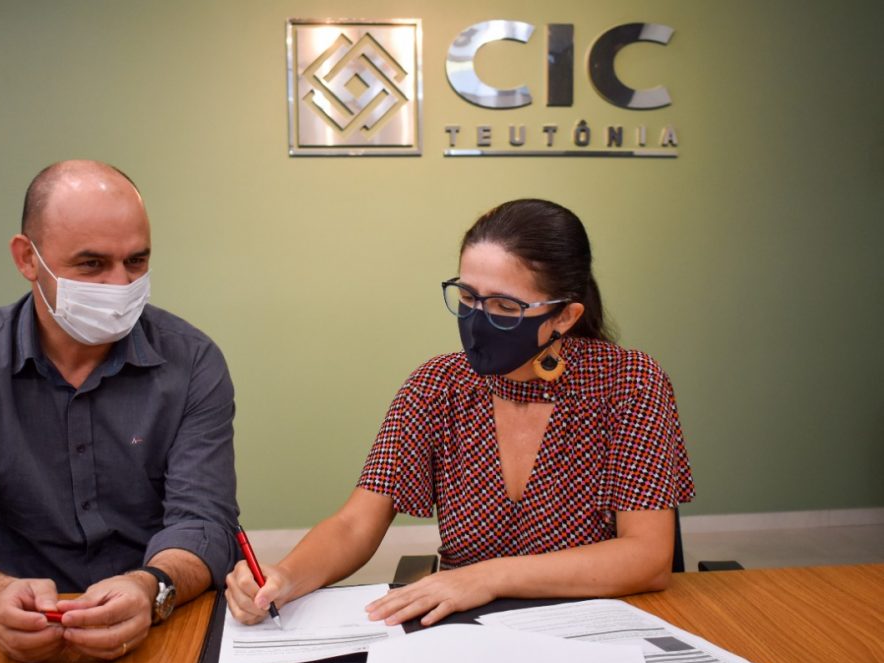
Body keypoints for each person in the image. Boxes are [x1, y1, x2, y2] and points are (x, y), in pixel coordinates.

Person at [226, 198, 694, 627]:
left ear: (564, 316)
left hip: (596, 627)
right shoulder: (437, 386)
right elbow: (355, 524)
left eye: (505, 306)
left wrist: (487, 577)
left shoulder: (629, 382)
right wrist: (286, 576)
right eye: (468, 297)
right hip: (469, 635)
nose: (477, 320)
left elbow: (647, 558)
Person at [0, 160, 239, 663]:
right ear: (27, 258)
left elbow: (204, 522)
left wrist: (151, 587)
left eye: (136, 261)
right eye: (92, 264)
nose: (119, 284)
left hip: (161, 629)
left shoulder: (192, 362)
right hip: (15, 631)